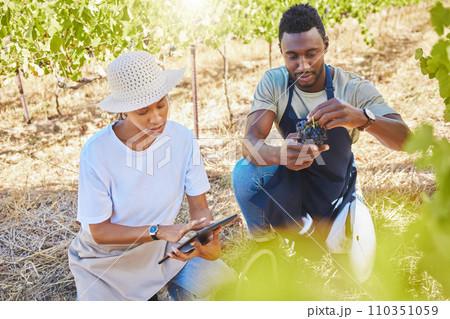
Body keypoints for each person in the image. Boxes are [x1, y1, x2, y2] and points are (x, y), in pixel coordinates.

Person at [232, 4, 410, 283]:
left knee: (355, 273)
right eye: (292, 56)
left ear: (326, 45)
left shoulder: (352, 87)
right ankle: (268, 250)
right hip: (294, 183)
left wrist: (362, 117)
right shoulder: (274, 82)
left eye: (311, 54)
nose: (302, 65)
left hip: (337, 186)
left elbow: (405, 140)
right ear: (281, 51)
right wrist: (279, 154)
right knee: (245, 174)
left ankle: (325, 229)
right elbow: (249, 143)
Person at [68, 51, 235, 301]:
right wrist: (158, 230)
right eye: (143, 111)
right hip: (107, 263)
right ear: (124, 110)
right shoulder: (97, 152)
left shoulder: (183, 139)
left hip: (163, 252)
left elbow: (199, 208)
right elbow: (100, 232)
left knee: (229, 288)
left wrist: (204, 240)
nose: (157, 118)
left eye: (161, 104)